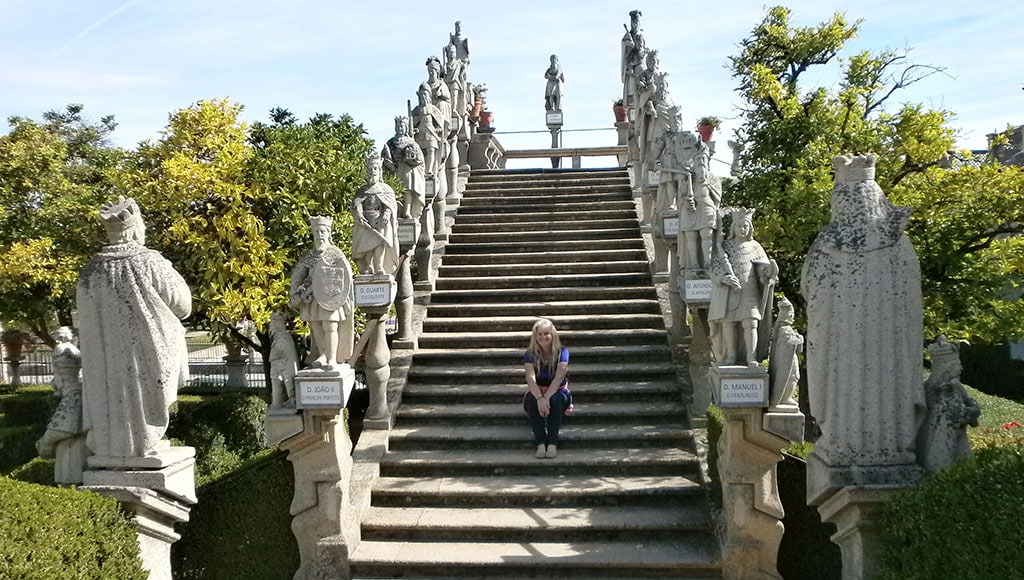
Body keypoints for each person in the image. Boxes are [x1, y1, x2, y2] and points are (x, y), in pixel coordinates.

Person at [77, 196, 192, 458]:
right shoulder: (150, 262)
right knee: (142, 392)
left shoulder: (91, 271)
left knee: (111, 391)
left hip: (105, 359)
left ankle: (111, 446)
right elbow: (183, 305)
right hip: (147, 351)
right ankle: (145, 441)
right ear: (135, 227)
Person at [708, 208, 777, 367]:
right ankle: (731, 356)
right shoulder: (725, 246)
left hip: (749, 291)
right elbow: (713, 269)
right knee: (729, 324)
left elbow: (762, 268)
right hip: (730, 292)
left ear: (750, 228)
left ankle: (751, 357)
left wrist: (768, 272)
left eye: (745, 226)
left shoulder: (755, 247)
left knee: (751, 323)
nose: (742, 229)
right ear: (733, 228)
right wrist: (724, 278)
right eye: (739, 226)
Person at [289, 215, 355, 369]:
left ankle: (332, 358)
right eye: (316, 232)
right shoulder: (309, 257)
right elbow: (297, 276)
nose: (319, 235)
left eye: (322, 232)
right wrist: (296, 293)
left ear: (328, 233)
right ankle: (323, 354)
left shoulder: (336, 254)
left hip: (331, 298)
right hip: (312, 299)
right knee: (316, 326)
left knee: (330, 325)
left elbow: (346, 276)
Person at [522, 318, 571, 459]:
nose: (543, 337)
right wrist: (539, 398)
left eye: (546, 333)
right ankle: (541, 443)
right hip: (537, 390)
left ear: (553, 335)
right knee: (531, 400)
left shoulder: (563, 352)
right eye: (539, 334)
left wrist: (547, 397)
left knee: (556, 400)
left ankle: (553, 443)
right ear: (535, 336)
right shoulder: (530, 353)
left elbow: (559, 378)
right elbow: (530, 378)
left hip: (558, 390)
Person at [351, 152, 400, 275]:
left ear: (379, 171)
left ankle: (379, 266)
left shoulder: (386, 190)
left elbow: (389, 206)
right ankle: (368, 266)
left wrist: (386, 215)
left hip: (380, 222)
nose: (373, 171)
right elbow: (357, 205)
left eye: (375, 169)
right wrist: (359, 215)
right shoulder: (362, 191)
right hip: (365, 223)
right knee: (366, 247)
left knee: (380, 244)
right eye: (371, 169)